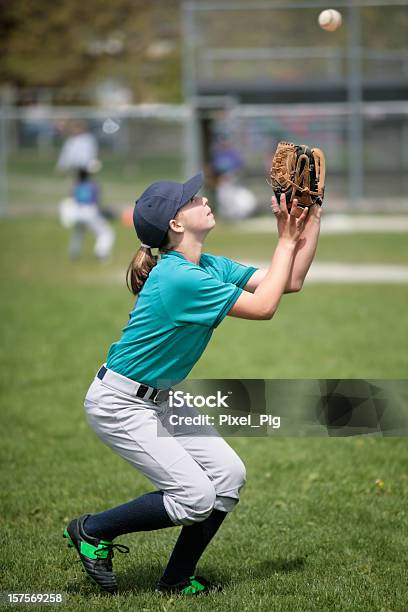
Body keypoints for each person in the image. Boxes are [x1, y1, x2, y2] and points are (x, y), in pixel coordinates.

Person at [63, 172, 321, 596]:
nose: (202, 198)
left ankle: (176, 579)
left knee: (228, 476)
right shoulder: (179, 278)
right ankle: (92, 530)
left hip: (160, 397)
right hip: (121, 404)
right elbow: (264, 307)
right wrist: (285, 239)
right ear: (176, 225)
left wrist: (308, 219)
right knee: (195, 497)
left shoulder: (206, 265)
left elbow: (288, 281)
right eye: (190, 199)